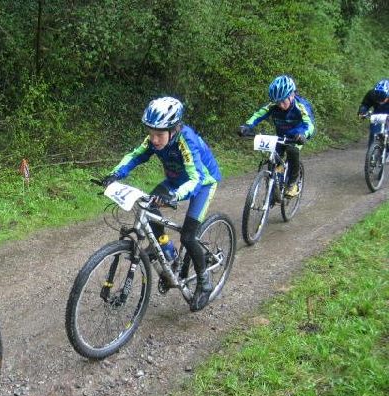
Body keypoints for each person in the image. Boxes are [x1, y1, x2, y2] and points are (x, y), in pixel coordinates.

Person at [100, 96, 221, 312]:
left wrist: (174, 196)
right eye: (151, 133)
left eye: (159, 135)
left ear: (174, 129)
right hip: (175, 180)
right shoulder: (154, 139)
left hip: (203, 183)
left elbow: (196, 178)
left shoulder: (186, 140)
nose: (154, 140)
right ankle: (167, 249)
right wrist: (114, 174)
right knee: (149, 206)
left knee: (188, 236)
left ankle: (204, 283)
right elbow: (136, 155)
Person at [238, 74, 315, 197]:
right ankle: (274, 188)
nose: (280, 105)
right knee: (273, 158)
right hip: (281, 134)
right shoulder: (273, 105)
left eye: (283, 101)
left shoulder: (301, 106)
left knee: (292, 150)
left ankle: (292, 183)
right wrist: (247, 126)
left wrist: (303, 135)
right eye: (277, 102)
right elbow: (258, 115)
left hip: (298, 135)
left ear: (292, 95)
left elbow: (310, 125)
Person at [357, 79, 389, 147]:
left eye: (382, 99)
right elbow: (365, 104)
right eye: (378, 99)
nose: (380, 102)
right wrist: (362, 112)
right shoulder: (371, 94)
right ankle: (371, 149)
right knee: (373, 132)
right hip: (378, 113)